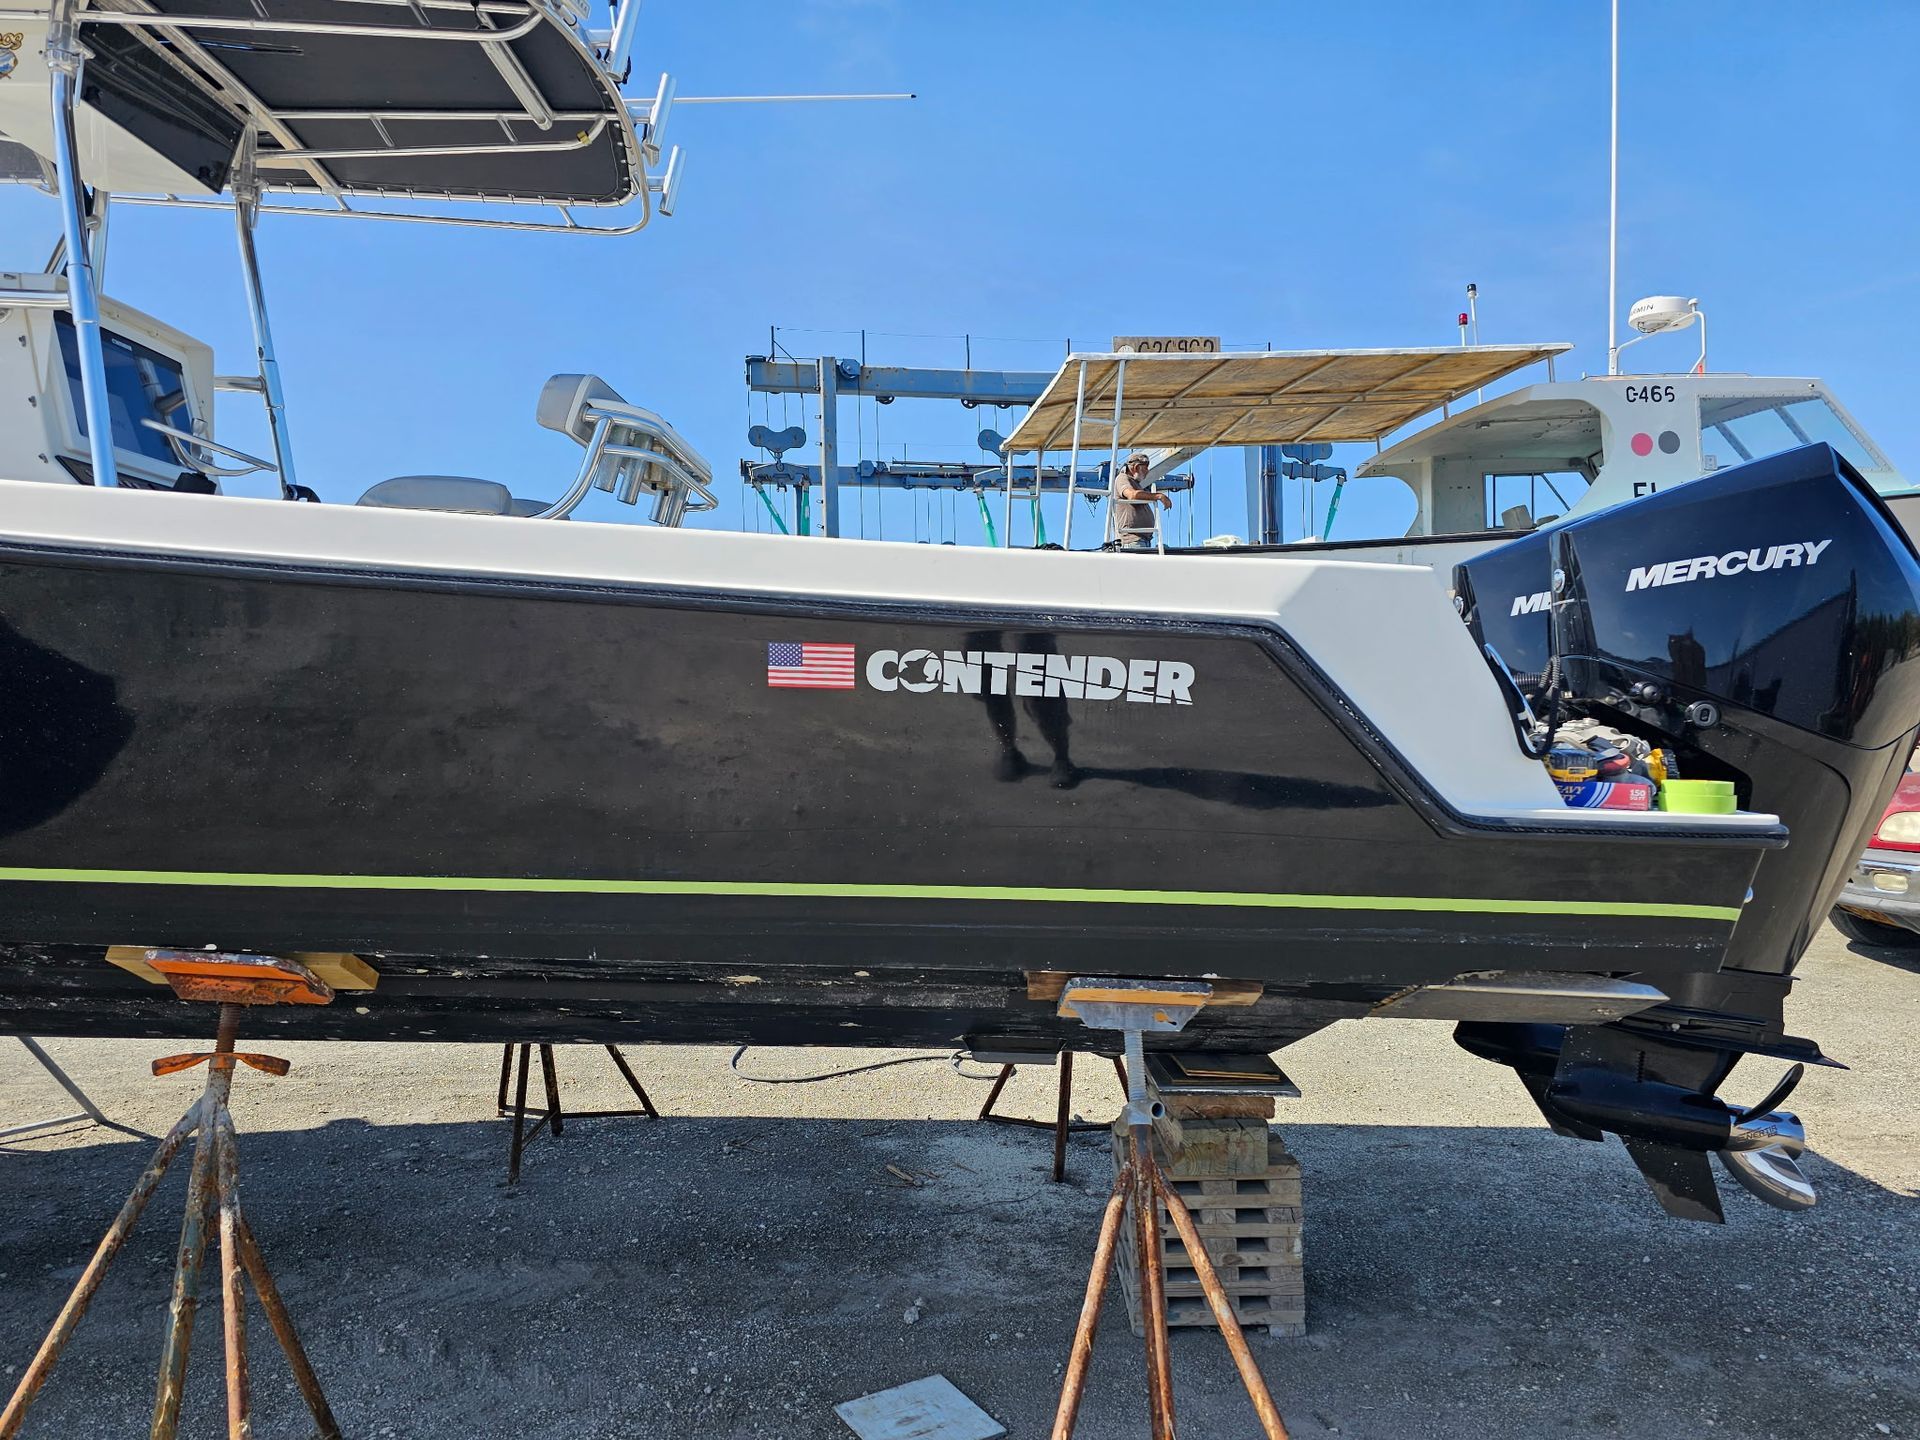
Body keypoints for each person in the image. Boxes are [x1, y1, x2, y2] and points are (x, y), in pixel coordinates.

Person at [1111, 450, 1171, 548]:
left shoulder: (1135, 483)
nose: (1148, 471)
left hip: (1142, 539)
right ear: (1136, 467)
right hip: (1132, 539)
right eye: (1145, 468)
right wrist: (1158, 496)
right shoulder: (1122, 478)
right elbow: (1131, 495)